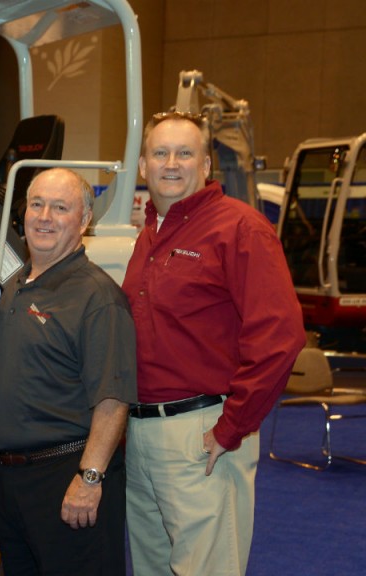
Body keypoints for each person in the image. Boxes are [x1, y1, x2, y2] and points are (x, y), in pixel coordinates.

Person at [121, 110, 304, 575]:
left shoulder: (239, 229)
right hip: (140, 434)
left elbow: (280, 337)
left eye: (186, 153)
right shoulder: (149, 236)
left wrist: (232, 426)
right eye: (160, 153)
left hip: (201, 433)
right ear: (143, 165)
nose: (172, 163)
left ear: (206, 166)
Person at [0, 168, 136, 575]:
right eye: (37, 204)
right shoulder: (15, 284)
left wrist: (90, 478)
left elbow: (113, 400)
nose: (44, 216)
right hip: (12, 482)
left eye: (60, 208)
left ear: (83, 222)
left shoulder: (98, 297)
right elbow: (10, 367)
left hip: (68, 478)